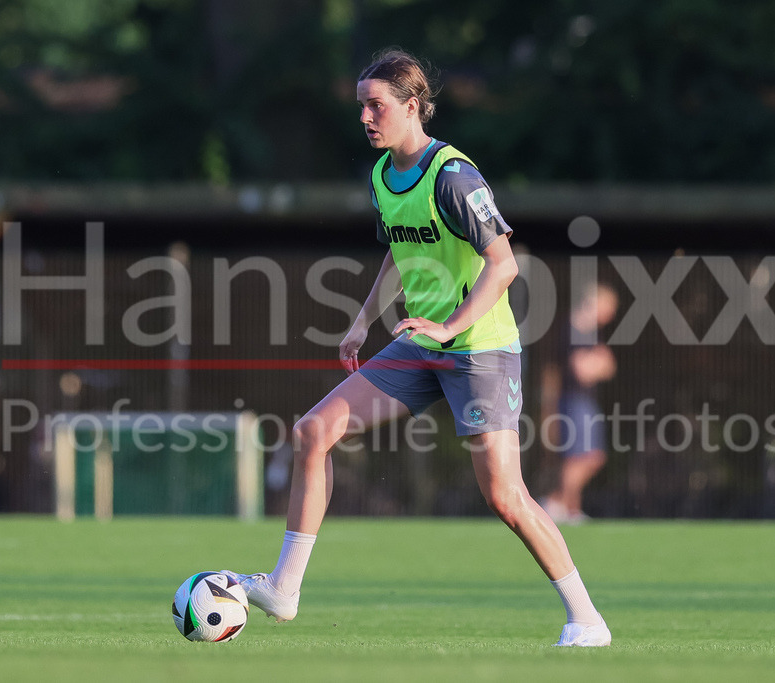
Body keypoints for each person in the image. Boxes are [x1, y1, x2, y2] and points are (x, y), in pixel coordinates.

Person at [222, 48, 611, 647]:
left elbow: (503, 265)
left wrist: (450, 327)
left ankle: (587, 619)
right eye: (360, 107)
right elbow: (400, 251)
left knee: (505, 497)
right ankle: (284, 589)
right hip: (422, 343)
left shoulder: (453, 174)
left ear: (412, 106)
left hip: (480, 348)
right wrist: (361, 320)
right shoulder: (382, 176)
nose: (365, 118)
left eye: (375, 105)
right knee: (312, 432)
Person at [540, 284, 619, 524]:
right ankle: (563, 506)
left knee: (592, 456)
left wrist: (598, 363)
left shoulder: (590, 332)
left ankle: (564, 505)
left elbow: (609, 366)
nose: (611, 314)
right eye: (609, 308)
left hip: (586, 400)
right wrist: (598, 363)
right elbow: (583, 371)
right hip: (574, 400)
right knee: (577, 457)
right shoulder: (575, 329)